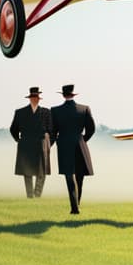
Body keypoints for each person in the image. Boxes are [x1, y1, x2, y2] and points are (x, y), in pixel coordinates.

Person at [51, 84, 95, 215]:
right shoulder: (84, 109)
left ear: (63, 95)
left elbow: (53, 132)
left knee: (70, 177)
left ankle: (74, 208)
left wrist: (52, 144)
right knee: (80, 177)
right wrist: (82, 140)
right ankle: (77, 204)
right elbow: (91, 130)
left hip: (64, 145)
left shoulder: (55, 110)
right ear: (74, 94)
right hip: (80, 145)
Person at [9, 87, 53, 199]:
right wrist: (19, 140)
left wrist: (48, 144)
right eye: (33, 97)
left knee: (41, 172)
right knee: (27, 170)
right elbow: (13, 129)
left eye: (36, 97)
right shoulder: (20, 112)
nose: (35, 99)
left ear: (39, 99)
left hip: (41, 145)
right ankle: (29, 195)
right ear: (30, 98)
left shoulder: (46, 112)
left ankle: (37, 195)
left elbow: (51, 130)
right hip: (26, 144)